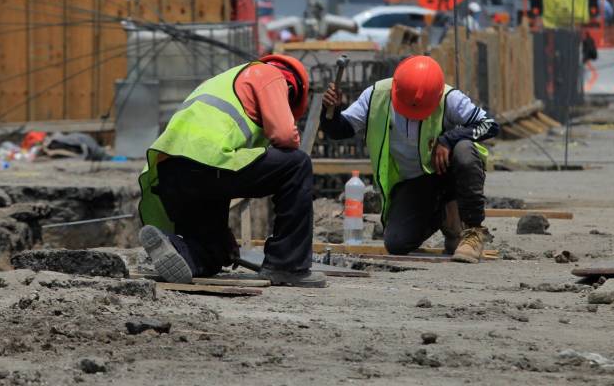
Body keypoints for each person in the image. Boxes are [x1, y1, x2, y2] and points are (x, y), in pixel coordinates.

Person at [137, 54, 326, 288]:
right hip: (210, 161)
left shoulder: (221, 82)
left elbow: (232, 165)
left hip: (172, 173)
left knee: (214, 252)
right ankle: (287, 266)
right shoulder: (270, 74)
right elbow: (284, 135)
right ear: (292, 88)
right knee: (297, 164)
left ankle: (174, 247)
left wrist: (223, 235)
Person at [320, 55, 499, 263]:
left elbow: (489, 125)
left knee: (464, 151)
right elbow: (340, 130)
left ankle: (473, 232)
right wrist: (330, 112)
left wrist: (449, 139)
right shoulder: (376, 95)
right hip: (414, 182)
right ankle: (447, 220)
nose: (414, 115)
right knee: (396, 243)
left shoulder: (448, 96)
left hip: (447, 174)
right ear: (396, 89)